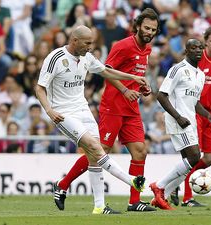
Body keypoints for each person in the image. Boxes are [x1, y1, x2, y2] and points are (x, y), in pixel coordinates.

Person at [53, 8, 160, 212]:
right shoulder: (122, 46)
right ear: (137, 26)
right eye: (146, 28)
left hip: (131, 107)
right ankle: (63, 184)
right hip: (113, 105)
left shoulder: (147, 49)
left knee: (140, 151)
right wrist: (124, 90)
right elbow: (107, 71)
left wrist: (141, 88)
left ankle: (134, 202)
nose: (149, 32)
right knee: (99, 151)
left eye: (153, 29)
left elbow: (133, 73)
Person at [167, 25, 211, 207]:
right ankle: (188, 198)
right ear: (205, 42)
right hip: (194, 112)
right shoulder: (197, 59)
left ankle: (176, 182)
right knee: (194, 156)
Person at [149, 39, 211, 210]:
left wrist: (208, 115)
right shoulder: (177, 69)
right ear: (186, 51)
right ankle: (160, 185)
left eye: (201, 48)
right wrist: (178, 117)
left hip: (190, 120)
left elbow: (194, 102)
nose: (198, 51)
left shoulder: (200, 75)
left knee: (190, 161)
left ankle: (162, 195)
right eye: (194, 48)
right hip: (178, 119)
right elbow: (161, 95)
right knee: (194, 157)